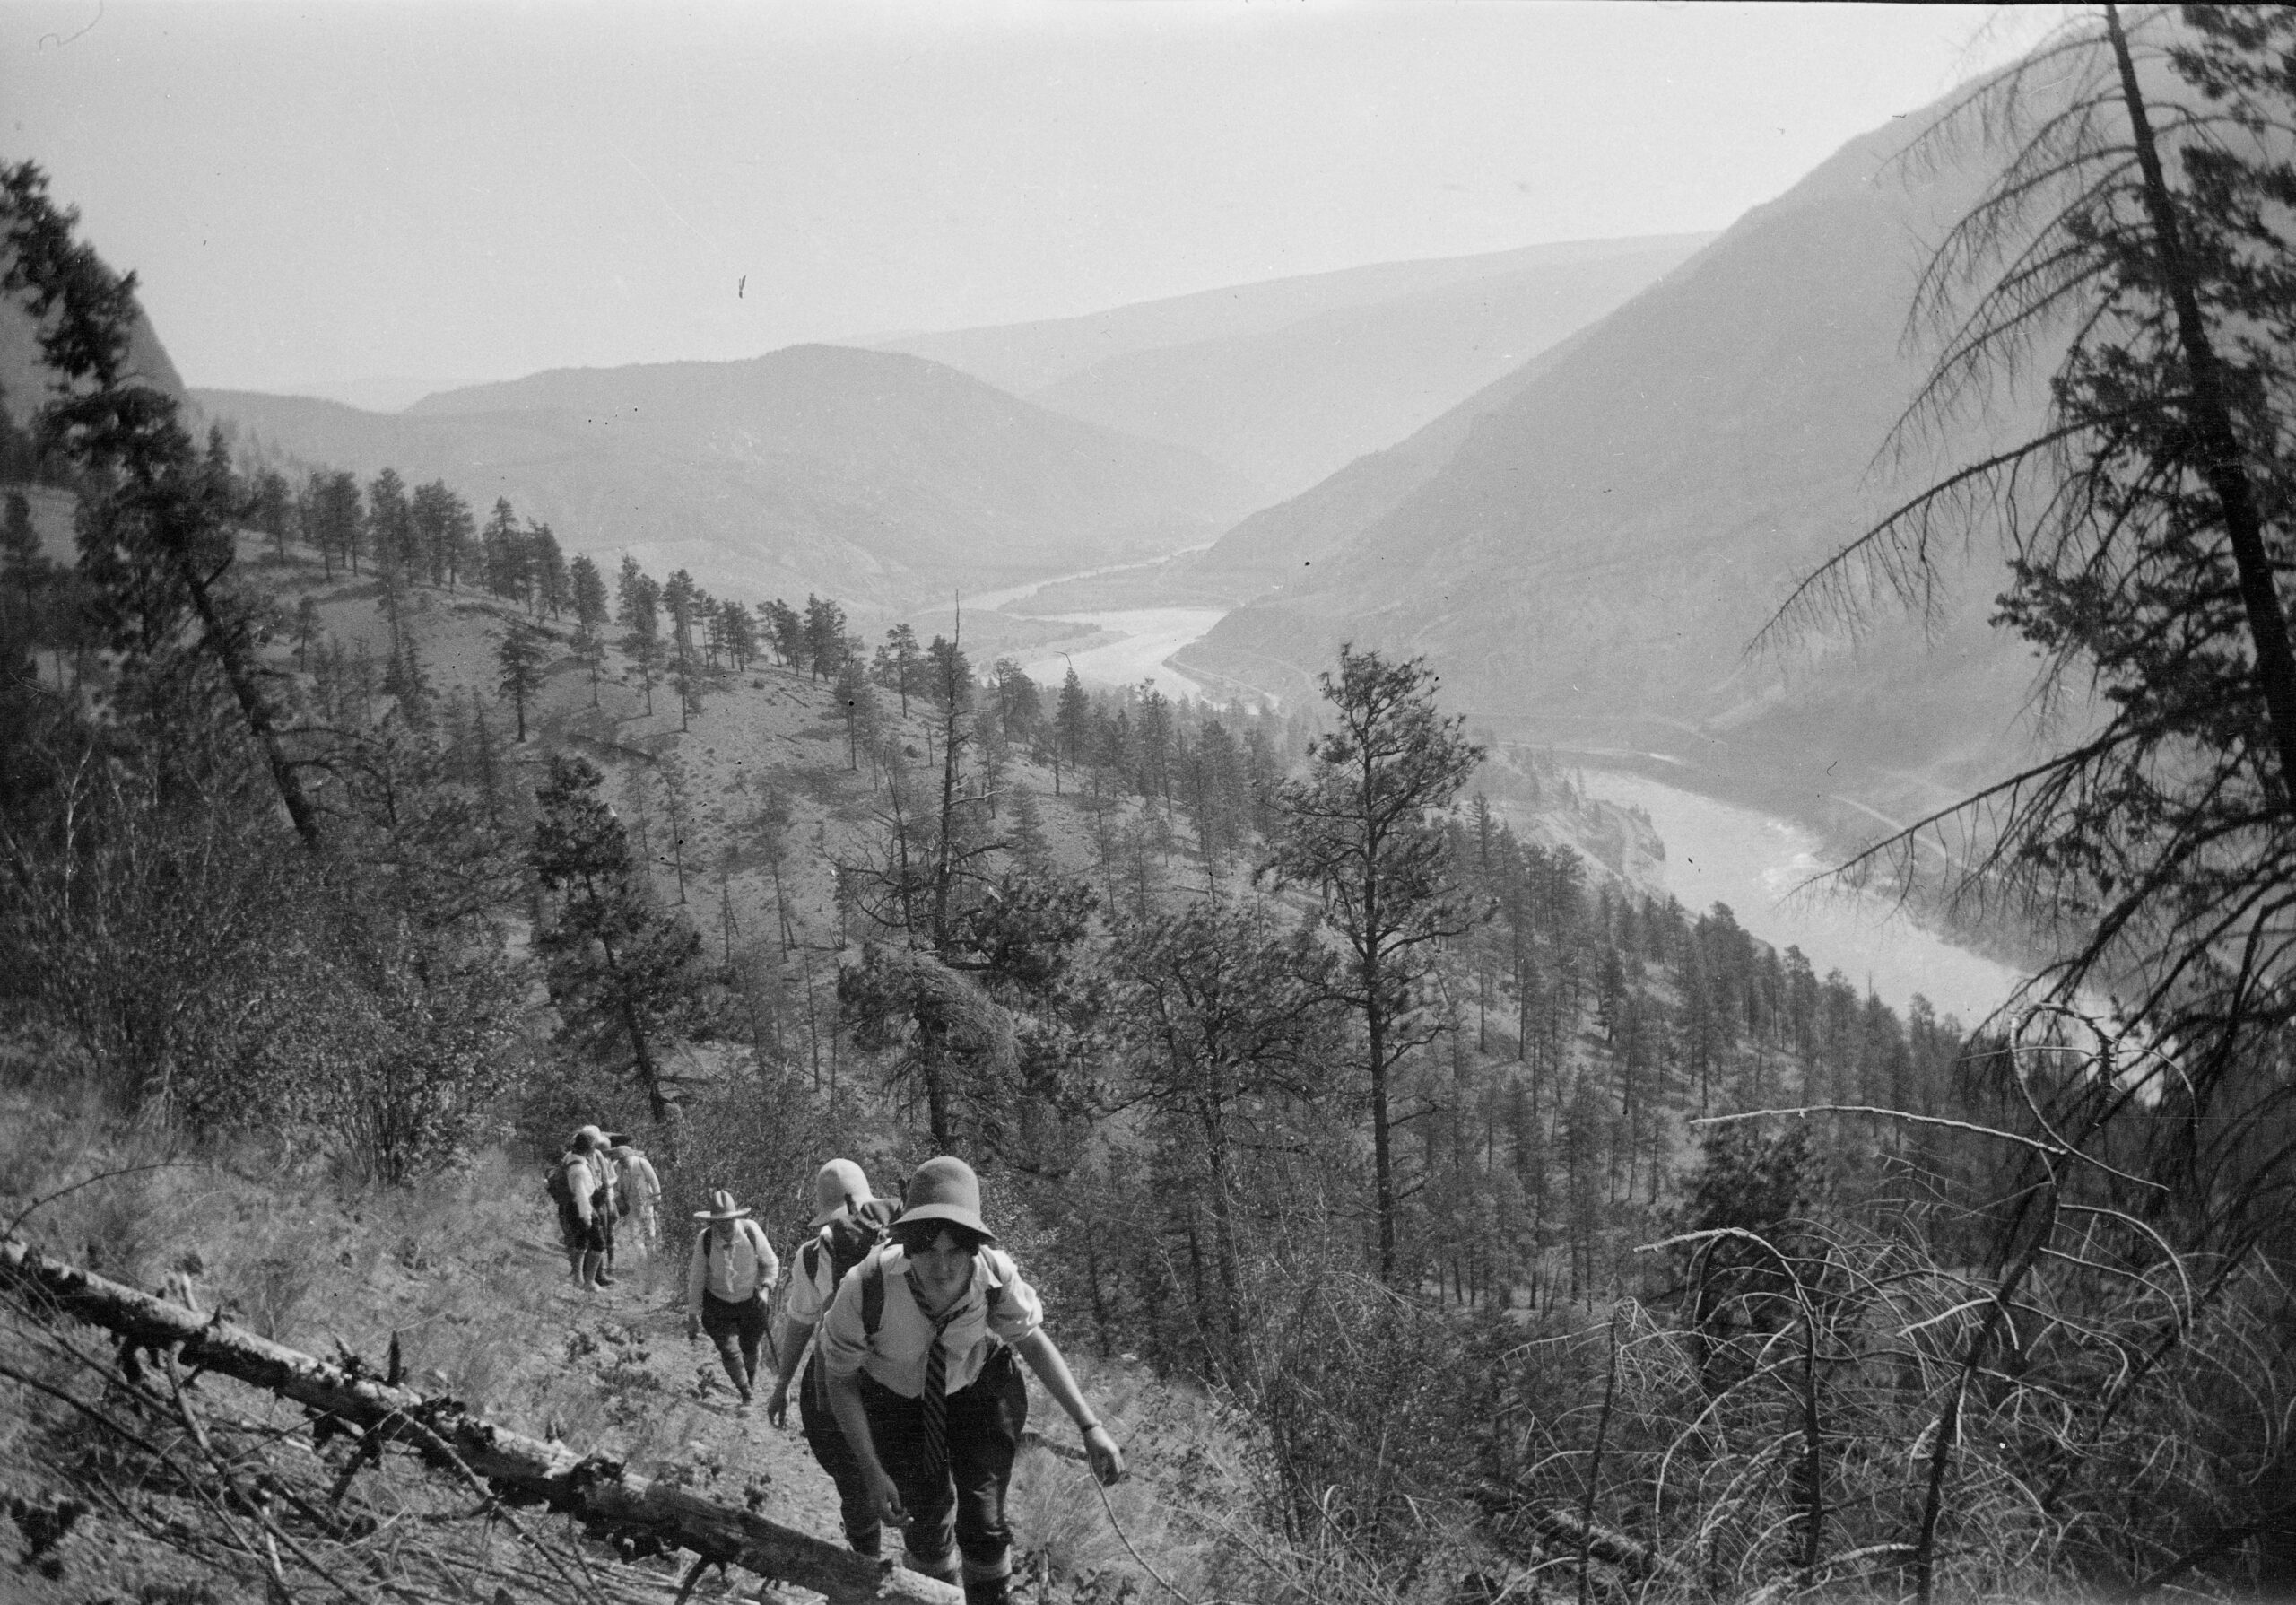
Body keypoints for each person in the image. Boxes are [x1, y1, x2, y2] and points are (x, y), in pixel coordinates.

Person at [821, 1156, 1124, 1605]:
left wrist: (1090, 1426)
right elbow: (840, 1378)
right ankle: (934, 1594)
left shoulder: (994, 1274)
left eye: (956, 1250)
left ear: (974, 1247)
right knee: (922, 1519)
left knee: (983, 1521)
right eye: (928, 1250)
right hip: (895, 1400)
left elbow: (1032, 1341)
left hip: (977, 1391)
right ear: (908, 1245)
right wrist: (871, 1469)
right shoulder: (865, 1286)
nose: (942, 1268)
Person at [768, 1158, 900, 1557]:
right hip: (901, 1372)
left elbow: (801, 1323)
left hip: (833, 1378)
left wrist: (783, 1384)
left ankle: (864, 1559)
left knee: (853, 1476)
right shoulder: (905, 1235)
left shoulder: (811, 1255)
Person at [685, 1188, 779, 1408]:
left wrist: (765, 1289)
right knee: (729, 1350)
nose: (724, 1226)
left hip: (750, 1301)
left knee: (750, 1347)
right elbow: (697, 1278)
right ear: (712, 1222)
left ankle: (751, 1381)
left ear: (735, 1217)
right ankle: (745, 1392)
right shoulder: (705, 1239)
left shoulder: (751, 1232)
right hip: (717, 1304)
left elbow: (771, 1264)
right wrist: (692, 1313)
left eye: (728, 1221)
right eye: (719, 1222)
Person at [553, 1126, 613, 1291]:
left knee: (581, 1242)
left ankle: (578, 1279)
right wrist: (587, 1217)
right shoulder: (579, 1169)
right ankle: (589, 1282)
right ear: (589, 1148)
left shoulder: (569, 1158)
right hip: (582, 1207)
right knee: (599, 1243)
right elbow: (581, 1195)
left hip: (573, 1207)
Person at [606, 1134, 660, 1260]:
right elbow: (614, 1187)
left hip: (646, 1202)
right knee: (634, 1233)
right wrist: (619, 1200)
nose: (621, 1162)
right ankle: (642, 1260)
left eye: (623, 1159)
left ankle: (652, 1256)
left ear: (628, 1156)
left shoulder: (642, 1163)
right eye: (619, 1160)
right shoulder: (616, 1167)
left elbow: (653, 1180)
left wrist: (657, 1198)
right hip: (629, 1204)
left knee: (650, 1231)